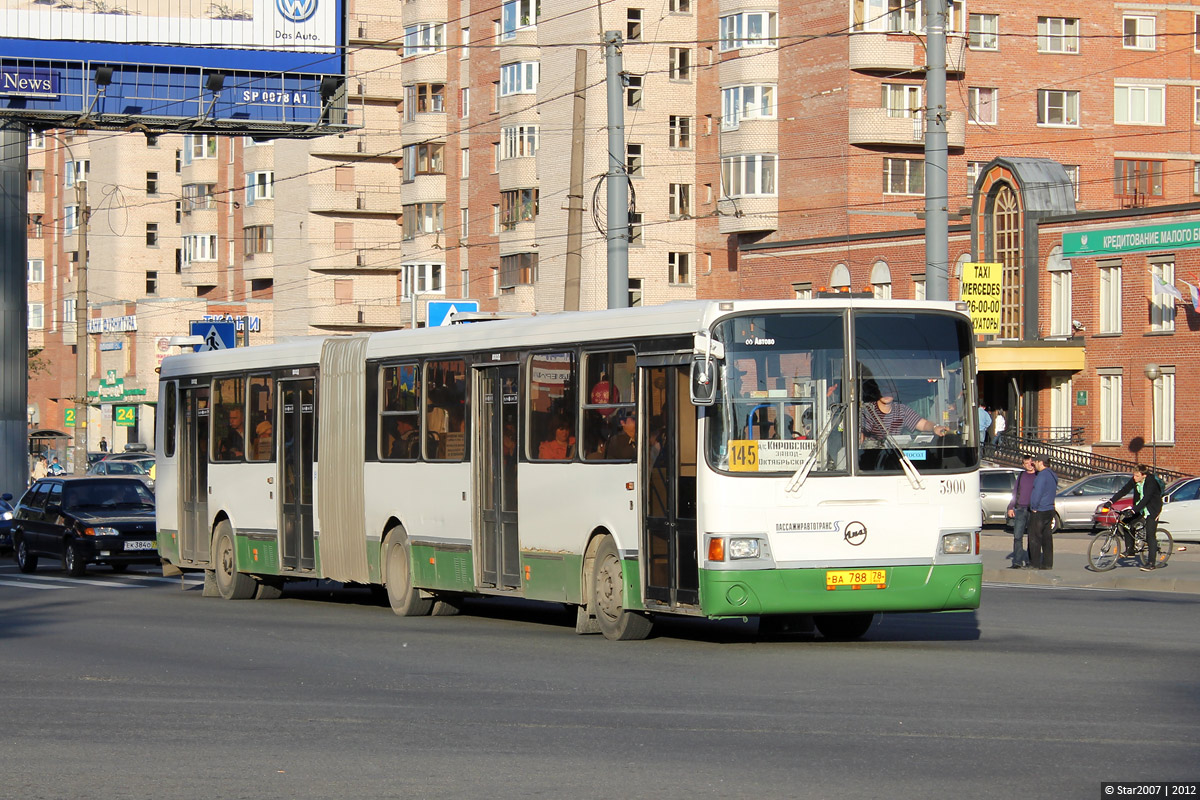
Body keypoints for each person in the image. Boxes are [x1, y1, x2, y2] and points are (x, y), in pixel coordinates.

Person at [1108, 464, 1164, 572]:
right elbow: (1124, 491)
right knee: (1125, 523)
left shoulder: (1151, 482)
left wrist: (1134, 510)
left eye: (1137, 475)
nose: (1134, 478)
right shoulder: (1135, 480)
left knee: (1150, 535)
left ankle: (1151, 563)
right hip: (1140, 507)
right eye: (1134, 475)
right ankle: (1130, 549)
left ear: (1144, 475)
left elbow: (1146, 498)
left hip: (1152, 509)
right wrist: (1111, 501)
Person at [859, 379, 949, 441]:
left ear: (896, 392)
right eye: (883, 389)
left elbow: (924, 424)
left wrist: (935, 427)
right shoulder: (868, 410)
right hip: (873, 456)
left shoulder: (901, 410)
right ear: (877, 391)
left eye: (890, 389)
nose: (886, 393)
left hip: (896, 455)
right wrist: (861, 435)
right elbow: (861, 433)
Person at [1027, 454, 1058, 570]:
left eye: (1035, 462)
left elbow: (1037, 492)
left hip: (1040, 509)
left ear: (1041, 462)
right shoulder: (1053, 475)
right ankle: (1047, 563)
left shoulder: (1041, 476)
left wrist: (1033, 507)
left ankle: (1034, 563)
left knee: (1034, 537)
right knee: (1047, 538)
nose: (1034, 464)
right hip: (1050, 509)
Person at [1006, 454, 1037, 568]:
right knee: (1017, 536)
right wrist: (1010, 507)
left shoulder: (1038, 476)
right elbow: (1015, 492)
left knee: (1031, 537)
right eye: (1026, 463)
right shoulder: (1021, 475)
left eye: (1030, 462)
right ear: (1023, 465)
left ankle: (1030, 561)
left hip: (1032, 509)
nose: (1029, 465)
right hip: (1020, 508)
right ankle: (1017, 562)